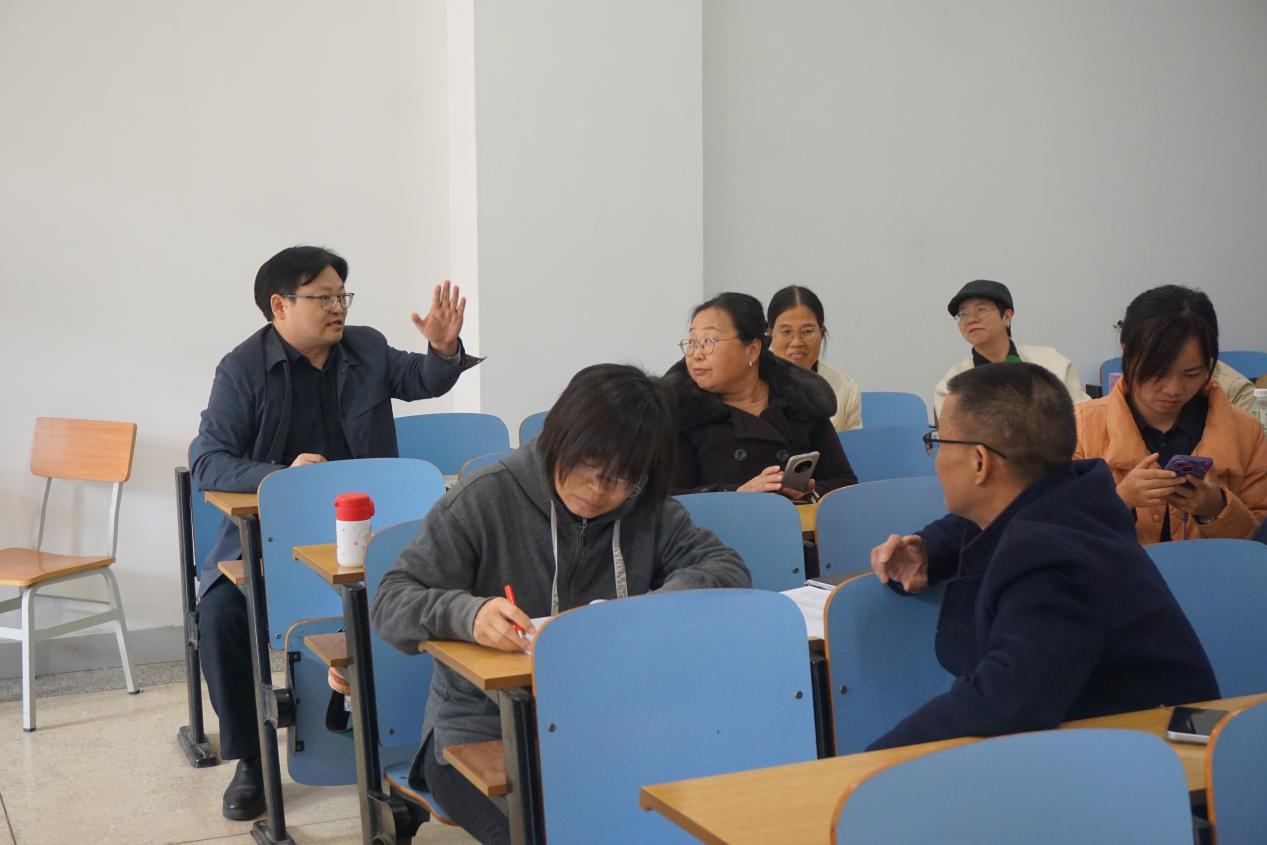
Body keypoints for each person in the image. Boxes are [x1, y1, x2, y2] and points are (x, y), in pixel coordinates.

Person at [370, 364, 751, 845]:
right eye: (588, 468)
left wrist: (636, 613)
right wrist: (469, 614)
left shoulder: (646, 508)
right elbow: (391, 600)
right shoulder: (486, 498)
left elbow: (725, 567)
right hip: (477, 731)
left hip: (607, 723)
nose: (597, 492)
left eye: (621, 480)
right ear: (559, 439)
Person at [190, 245, 476, 820]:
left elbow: (422, 378)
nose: (339, 307)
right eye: (324, 297)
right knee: (220, 617)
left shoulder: (365, 348)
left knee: (449, 593)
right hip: (274, 539)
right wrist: (281, 476)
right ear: (280, 305)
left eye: (342, 295)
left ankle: (426, 740)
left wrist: (443, 349)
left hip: (371, 531)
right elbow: (208, 460)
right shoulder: (243, 369)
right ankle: (251, 760)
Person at [868, 362, 1218, 751]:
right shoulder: (1072, 500)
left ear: (980, 462)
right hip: (1132, 741)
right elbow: (985, 522)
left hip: (1159, 761)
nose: (935, 458)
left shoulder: (1050, 558)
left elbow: (1004, 701)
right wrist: (929, 549)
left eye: (938, 441)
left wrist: (869, 764)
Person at [1076, 285, 1267, 544]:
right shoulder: (1080, 428)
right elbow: (1056, 533)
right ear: (1126, 351)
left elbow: (1259, 546)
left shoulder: (1246, 432)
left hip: (1214, 570)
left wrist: (1217, 509)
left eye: (1191, 374)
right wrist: (1121, 500)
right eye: (1158, 372)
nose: (1174, 389)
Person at [665, 292, 857, 497]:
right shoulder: (680, 412)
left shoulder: (801, 402)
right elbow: (668, 500)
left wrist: (807, 494)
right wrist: (736, 494)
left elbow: (844, 483)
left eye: (709, 341)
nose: (696, 354)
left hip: (794, 518)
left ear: (753, 349)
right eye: (692, 342)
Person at [933, 279, 1088, 420]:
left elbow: (1083, 419)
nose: (971, 319)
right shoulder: (951, 387)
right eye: (963, 314)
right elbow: (954, 439)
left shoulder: (1053, 363)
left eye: (981, 309)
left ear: (1007, 316)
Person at [766, 285, 861, 431]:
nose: (797, 342)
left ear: (822, 334)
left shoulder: (846, 388)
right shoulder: (749, 387)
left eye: (807, 331)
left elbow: (854, 444)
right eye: (786, 331)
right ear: (769, 335)